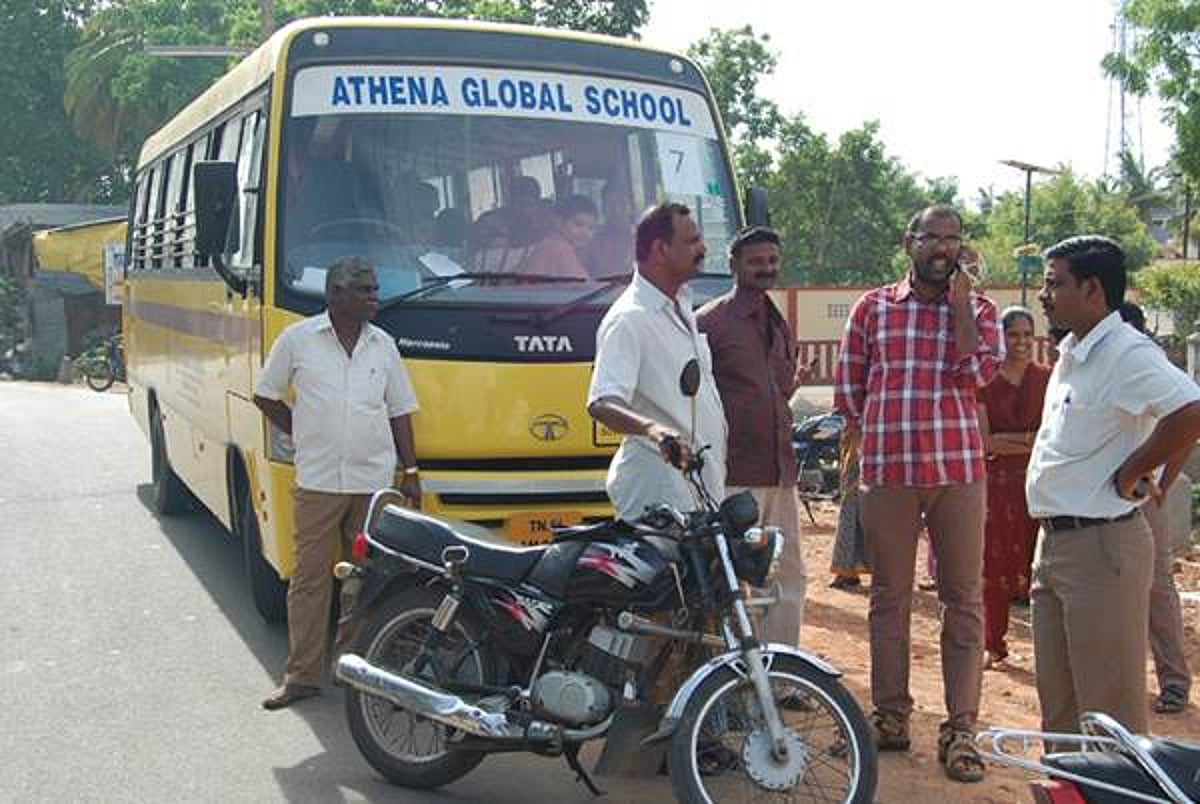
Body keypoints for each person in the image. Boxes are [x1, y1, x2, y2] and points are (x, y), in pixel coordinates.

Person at [834, 204, 999, 783]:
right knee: (889, 597)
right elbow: (848, 391)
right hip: (890, 474)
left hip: (957, 474)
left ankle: (960, 728)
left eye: (952, 239)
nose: (943, 249)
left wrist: (958, 307)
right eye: (932, 237)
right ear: (910, 242)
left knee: (962, 599)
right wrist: (874, 448)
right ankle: (891, 716)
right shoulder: (873, 308)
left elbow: (976, 375)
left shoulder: (979, 311)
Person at [1027, 236, 1200, 739]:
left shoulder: (1126, 352)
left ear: (1093, 288)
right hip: (1055, 547)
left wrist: (1133, 470)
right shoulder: (1074, 353)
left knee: (1107, 716)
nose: (1044, 294)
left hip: (1102, 547)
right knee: (1059, 714)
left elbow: (1190, 411)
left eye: (1054, 283)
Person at [253, 256, 421, 710]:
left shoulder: (383, 345)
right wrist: (300, 431)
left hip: (372, 480)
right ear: (335, 296)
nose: (374, 297)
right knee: (309, 580)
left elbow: (400, 410)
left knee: (366, 578)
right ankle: (302, 676)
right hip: (319, 480)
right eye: (364, 290)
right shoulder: (298, 340)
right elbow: (265, 394)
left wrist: (412, 471)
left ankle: (351, 664)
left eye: (374, 288)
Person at [697, 225, 807, 647]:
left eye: (773, 261)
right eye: (757, 261)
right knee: (733, 576)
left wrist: (792, 388)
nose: (767, 269)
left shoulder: (777, 322)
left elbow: (775, 393)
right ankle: (735, 679)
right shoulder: (709, 322)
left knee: (785, 573)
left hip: (779, 471)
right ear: (734, 265)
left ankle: (782, 670)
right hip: (732, 473)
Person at [587, 201, 726, 523]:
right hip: (660, 495)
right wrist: (653, 430)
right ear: (661, 249)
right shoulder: (630, 318)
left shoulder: (680, 305)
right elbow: (601, 402)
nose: (703, 248)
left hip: (699, 489)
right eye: (692, 241)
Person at [1118, 301, 1193, 715]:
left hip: (1141, 497)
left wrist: (1162, 484)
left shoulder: (1149, 367)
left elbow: (1188, 427)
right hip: (1103, 498)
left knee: (1156, 587)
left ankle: (1174, 682)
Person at [976, 306, 1051, 669]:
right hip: (999, 487)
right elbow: (986, 442)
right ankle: (994, 644)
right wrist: (1030, 438)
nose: (1021, 342)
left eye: (1026, 334)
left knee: (1043, 564)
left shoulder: (1049, 379)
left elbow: (1053, 438)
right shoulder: (986, 382)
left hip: (1041, 483)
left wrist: (1014, 440)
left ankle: (1052, 650)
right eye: (1013, 334)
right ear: (1000, 337)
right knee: (996, 564)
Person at [829, 425, 870, 589]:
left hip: (867, 437)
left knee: (852, 504)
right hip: (865, 437)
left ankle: (847, 570)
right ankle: (848, 570)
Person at [521, 195, 598, 280]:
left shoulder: (550, 243)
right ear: (560, 223)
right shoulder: (560, 248)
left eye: (591, 228)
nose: (585, 233)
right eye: (578, 225)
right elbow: (584, 285)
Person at [584, 182, 636, 277]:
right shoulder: (591, 239)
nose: (616, 210)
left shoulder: (643, 240)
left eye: (622, 203)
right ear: (603, 208)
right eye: (611, 204)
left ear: (631, 207)